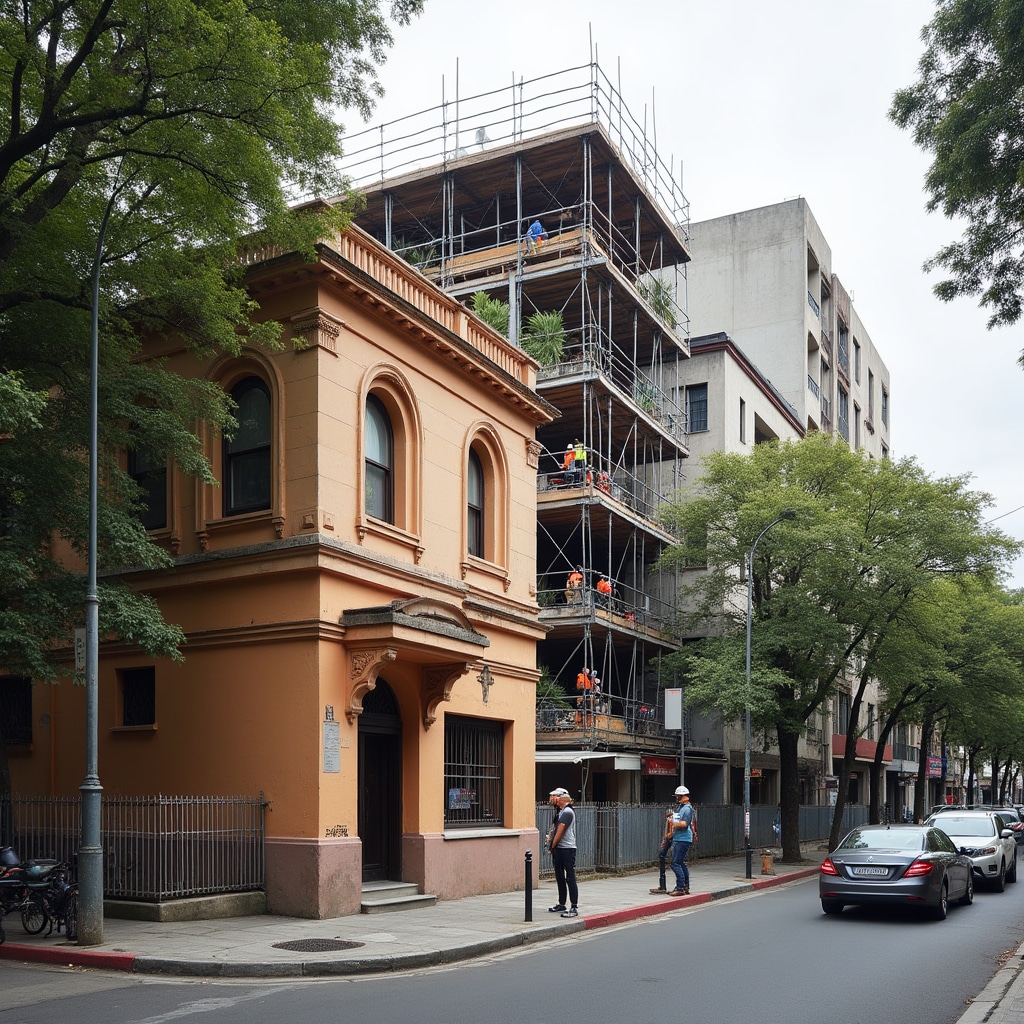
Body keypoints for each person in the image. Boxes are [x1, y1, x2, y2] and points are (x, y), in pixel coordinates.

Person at [547, 787, 578, 917]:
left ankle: (574, 906)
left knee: (569, 877)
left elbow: (560, 831)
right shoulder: (560, 812)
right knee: (560, 877)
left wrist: (551, 847)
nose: (553, 799)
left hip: (567, 848)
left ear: (561, 798)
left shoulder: (567, 812)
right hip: (559, 848)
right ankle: (561, 903)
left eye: (554, 797)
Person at [668, 784, 695, 896]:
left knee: (675, 863)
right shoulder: (681, 808)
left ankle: (680, 887)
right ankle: (685, 886)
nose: (677, 798)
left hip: (682, 839)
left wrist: (672, 823)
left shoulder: (687, 809)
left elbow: (684, 824)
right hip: (679, 838)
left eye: (678, 796)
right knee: (681, 863)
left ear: (682, 796)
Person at [650, 808, 675, 894]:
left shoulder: (672, 821)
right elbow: (666, 831)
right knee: (662, 856)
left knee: (676, 863)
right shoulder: (670, 820)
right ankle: (663, 885)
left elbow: (668, 832)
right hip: (670, 839)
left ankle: (678, 886)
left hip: (672, 839)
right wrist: (664, 840)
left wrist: (665, 839)